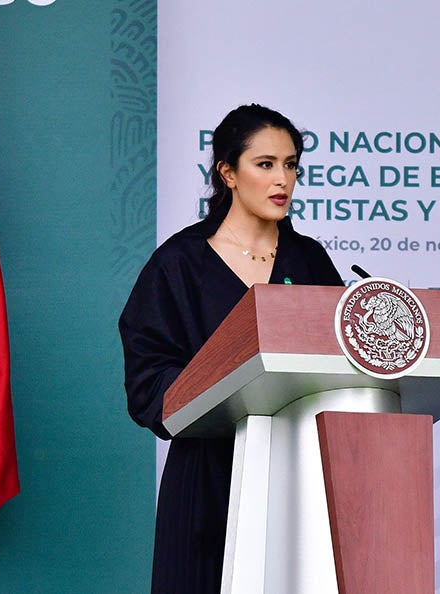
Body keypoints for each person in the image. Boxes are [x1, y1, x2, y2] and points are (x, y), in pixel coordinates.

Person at [119, 104, 344, 593]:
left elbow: (339, 362)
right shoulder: (179, 264)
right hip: (208, 480)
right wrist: (224, 393)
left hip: (300, 478)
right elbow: (147, 381)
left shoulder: (310, 260)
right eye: (265, 164)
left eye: (290, 165)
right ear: (228, 173)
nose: (281, 179)